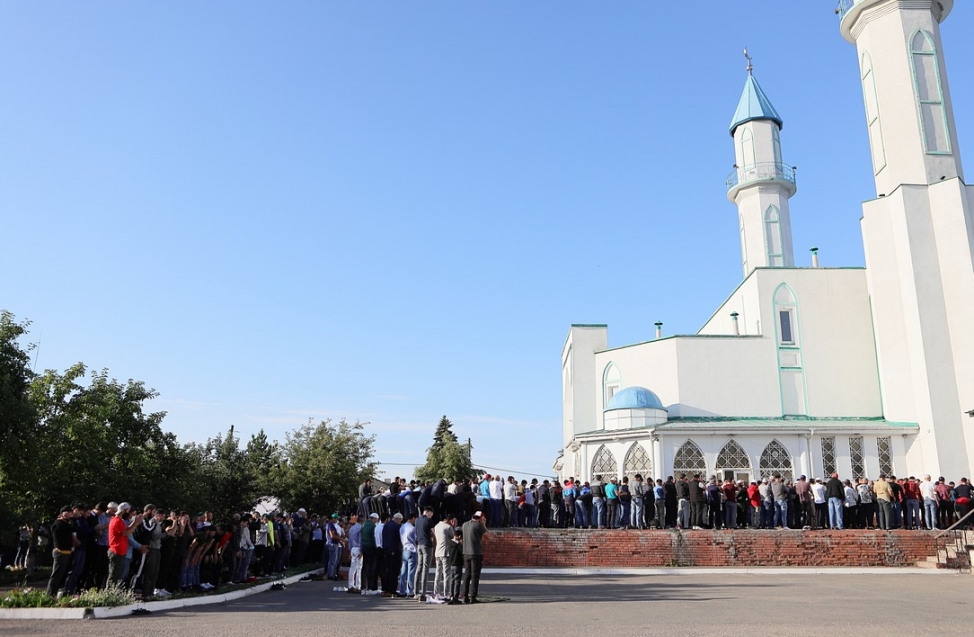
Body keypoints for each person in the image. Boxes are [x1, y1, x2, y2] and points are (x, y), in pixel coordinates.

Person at [47, 506, 77, 598]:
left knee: (63, 574)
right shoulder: (58, 524)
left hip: (67, 551)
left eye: (71, 512)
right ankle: (50, 594)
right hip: (60, 551)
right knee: (56, 574)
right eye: (68, 512)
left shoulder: (67, 524)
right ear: (62, 513)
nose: (70, 514)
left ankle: (59, 593)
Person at [460, 511, 487, 604]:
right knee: (475, 575)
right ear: (480, 518)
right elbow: (488, 536)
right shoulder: (479, 526)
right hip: (476, 553)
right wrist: (484, 524)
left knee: (467, 574)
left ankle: (465, 595)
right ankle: (473, 596)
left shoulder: (464, 525)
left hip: (466, 552)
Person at [432, 514, 456, 601]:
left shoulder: (437, 526)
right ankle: (447, 593)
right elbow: (454, 537)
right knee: (446, 574)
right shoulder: (448, 527)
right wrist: (454, 526)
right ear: (450, 520)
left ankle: (436, 592)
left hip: (437, 552)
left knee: (438, 573)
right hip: (445, 552)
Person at [413, 507, 434, 599]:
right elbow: (433, 532)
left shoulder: (417, 520)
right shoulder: (428, 520)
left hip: (419, 544)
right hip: (427, 545)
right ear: (429, 512)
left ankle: (415, 591)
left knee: (419, 567)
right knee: (425, 569)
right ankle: (423, 592)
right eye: (431, 514)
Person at [347, 514, 363, 593]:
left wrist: (350, 550)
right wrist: (361, 551)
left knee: (352, 568)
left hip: (352, 549)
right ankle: (358, 586)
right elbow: (360, 540)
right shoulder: (360, 528)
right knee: (359, 568)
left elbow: (349, 540)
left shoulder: (352, 528)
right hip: (358, 548)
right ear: (362, 520)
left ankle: (350, 585)